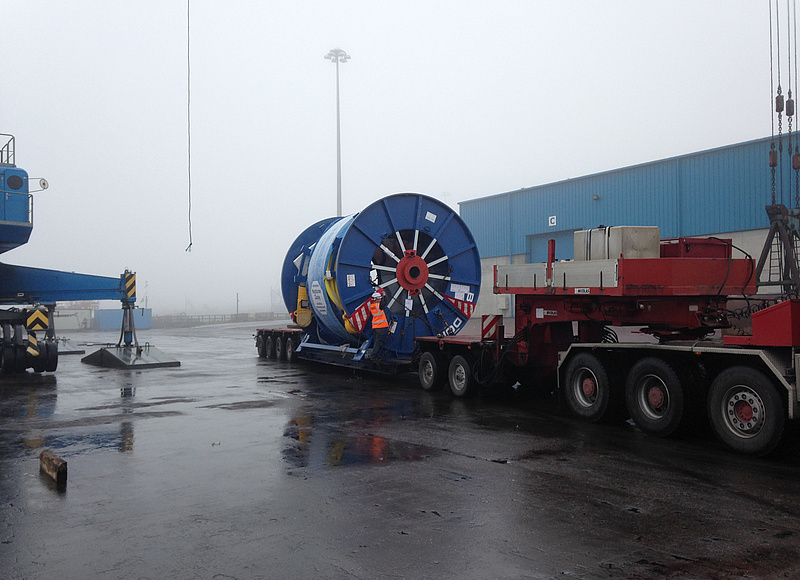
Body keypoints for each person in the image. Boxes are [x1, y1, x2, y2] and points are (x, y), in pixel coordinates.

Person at [368, 290, 389, 361]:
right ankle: (374, 356)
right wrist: (384, 295)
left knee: (377, 341)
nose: (380, 299)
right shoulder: (378, 306)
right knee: (378, 342)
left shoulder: (372, 306)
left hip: (375, 327)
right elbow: (385, 302)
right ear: (376, 299)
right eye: (379, 298)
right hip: (380, 327)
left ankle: (377, 355)